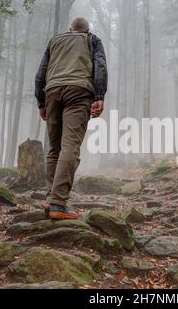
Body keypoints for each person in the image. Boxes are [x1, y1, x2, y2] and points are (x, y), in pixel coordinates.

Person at [35, 17, 108, 220]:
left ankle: (51, 199)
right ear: (86, 30)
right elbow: (100, 67)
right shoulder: (92, 40)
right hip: (79, 91)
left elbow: (41, 73)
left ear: (70, 29)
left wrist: (41, 102)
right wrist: (99, 97)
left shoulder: (55, 41)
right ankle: (58, 203)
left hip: (52, 92)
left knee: (54, 148)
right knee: (70, 147)